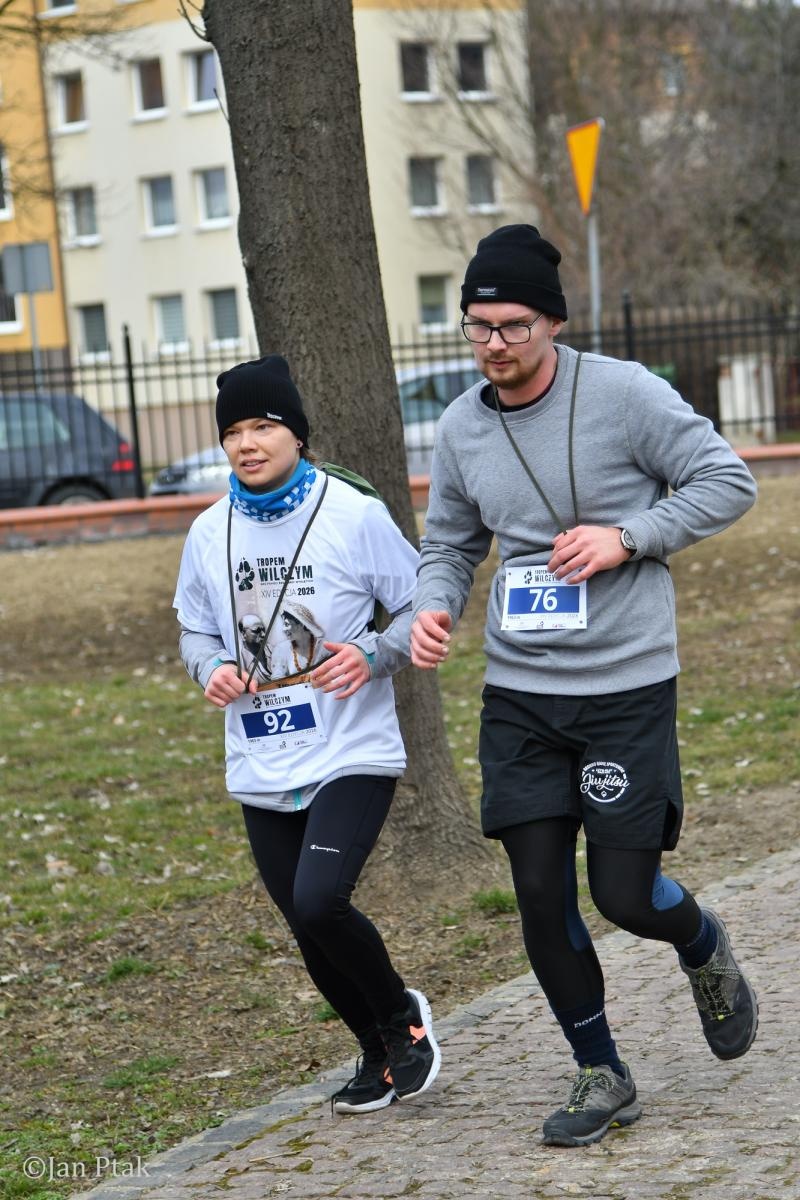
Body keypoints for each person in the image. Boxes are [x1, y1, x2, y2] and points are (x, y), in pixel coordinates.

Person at [410, 225, 758, 1148]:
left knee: (624, 896)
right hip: (521, 690)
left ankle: (700, 944)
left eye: (512, 325)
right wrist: (434, 605)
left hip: (625, 685)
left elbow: (727, 480)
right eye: (477, 326)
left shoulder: (624, 394)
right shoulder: (459, 425)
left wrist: (627, 537)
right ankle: (599, 1069)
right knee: (537, 890)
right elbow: (449, 542)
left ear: (552, 323)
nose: (494, 344)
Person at [175, 354, 440, 1115]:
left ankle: (404, 1023)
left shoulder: (350, 514)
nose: (246, 443)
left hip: (350, 748)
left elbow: (421, 599)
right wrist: (212, 668)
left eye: (262, 426)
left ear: (295, 433)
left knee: (322, 898)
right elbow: (194, 629)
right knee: (303, 920)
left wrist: (371, 652)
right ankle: (376, 1052)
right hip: (261, 752)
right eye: (232, 431)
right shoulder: (207, 532)